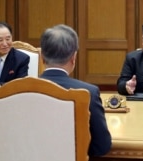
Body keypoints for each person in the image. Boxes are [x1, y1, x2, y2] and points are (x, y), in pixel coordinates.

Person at [39, 24, 112, 157]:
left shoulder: (14, 92)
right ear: (74, 58)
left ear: (42, 56)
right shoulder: (87, 92)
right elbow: (101, 146)